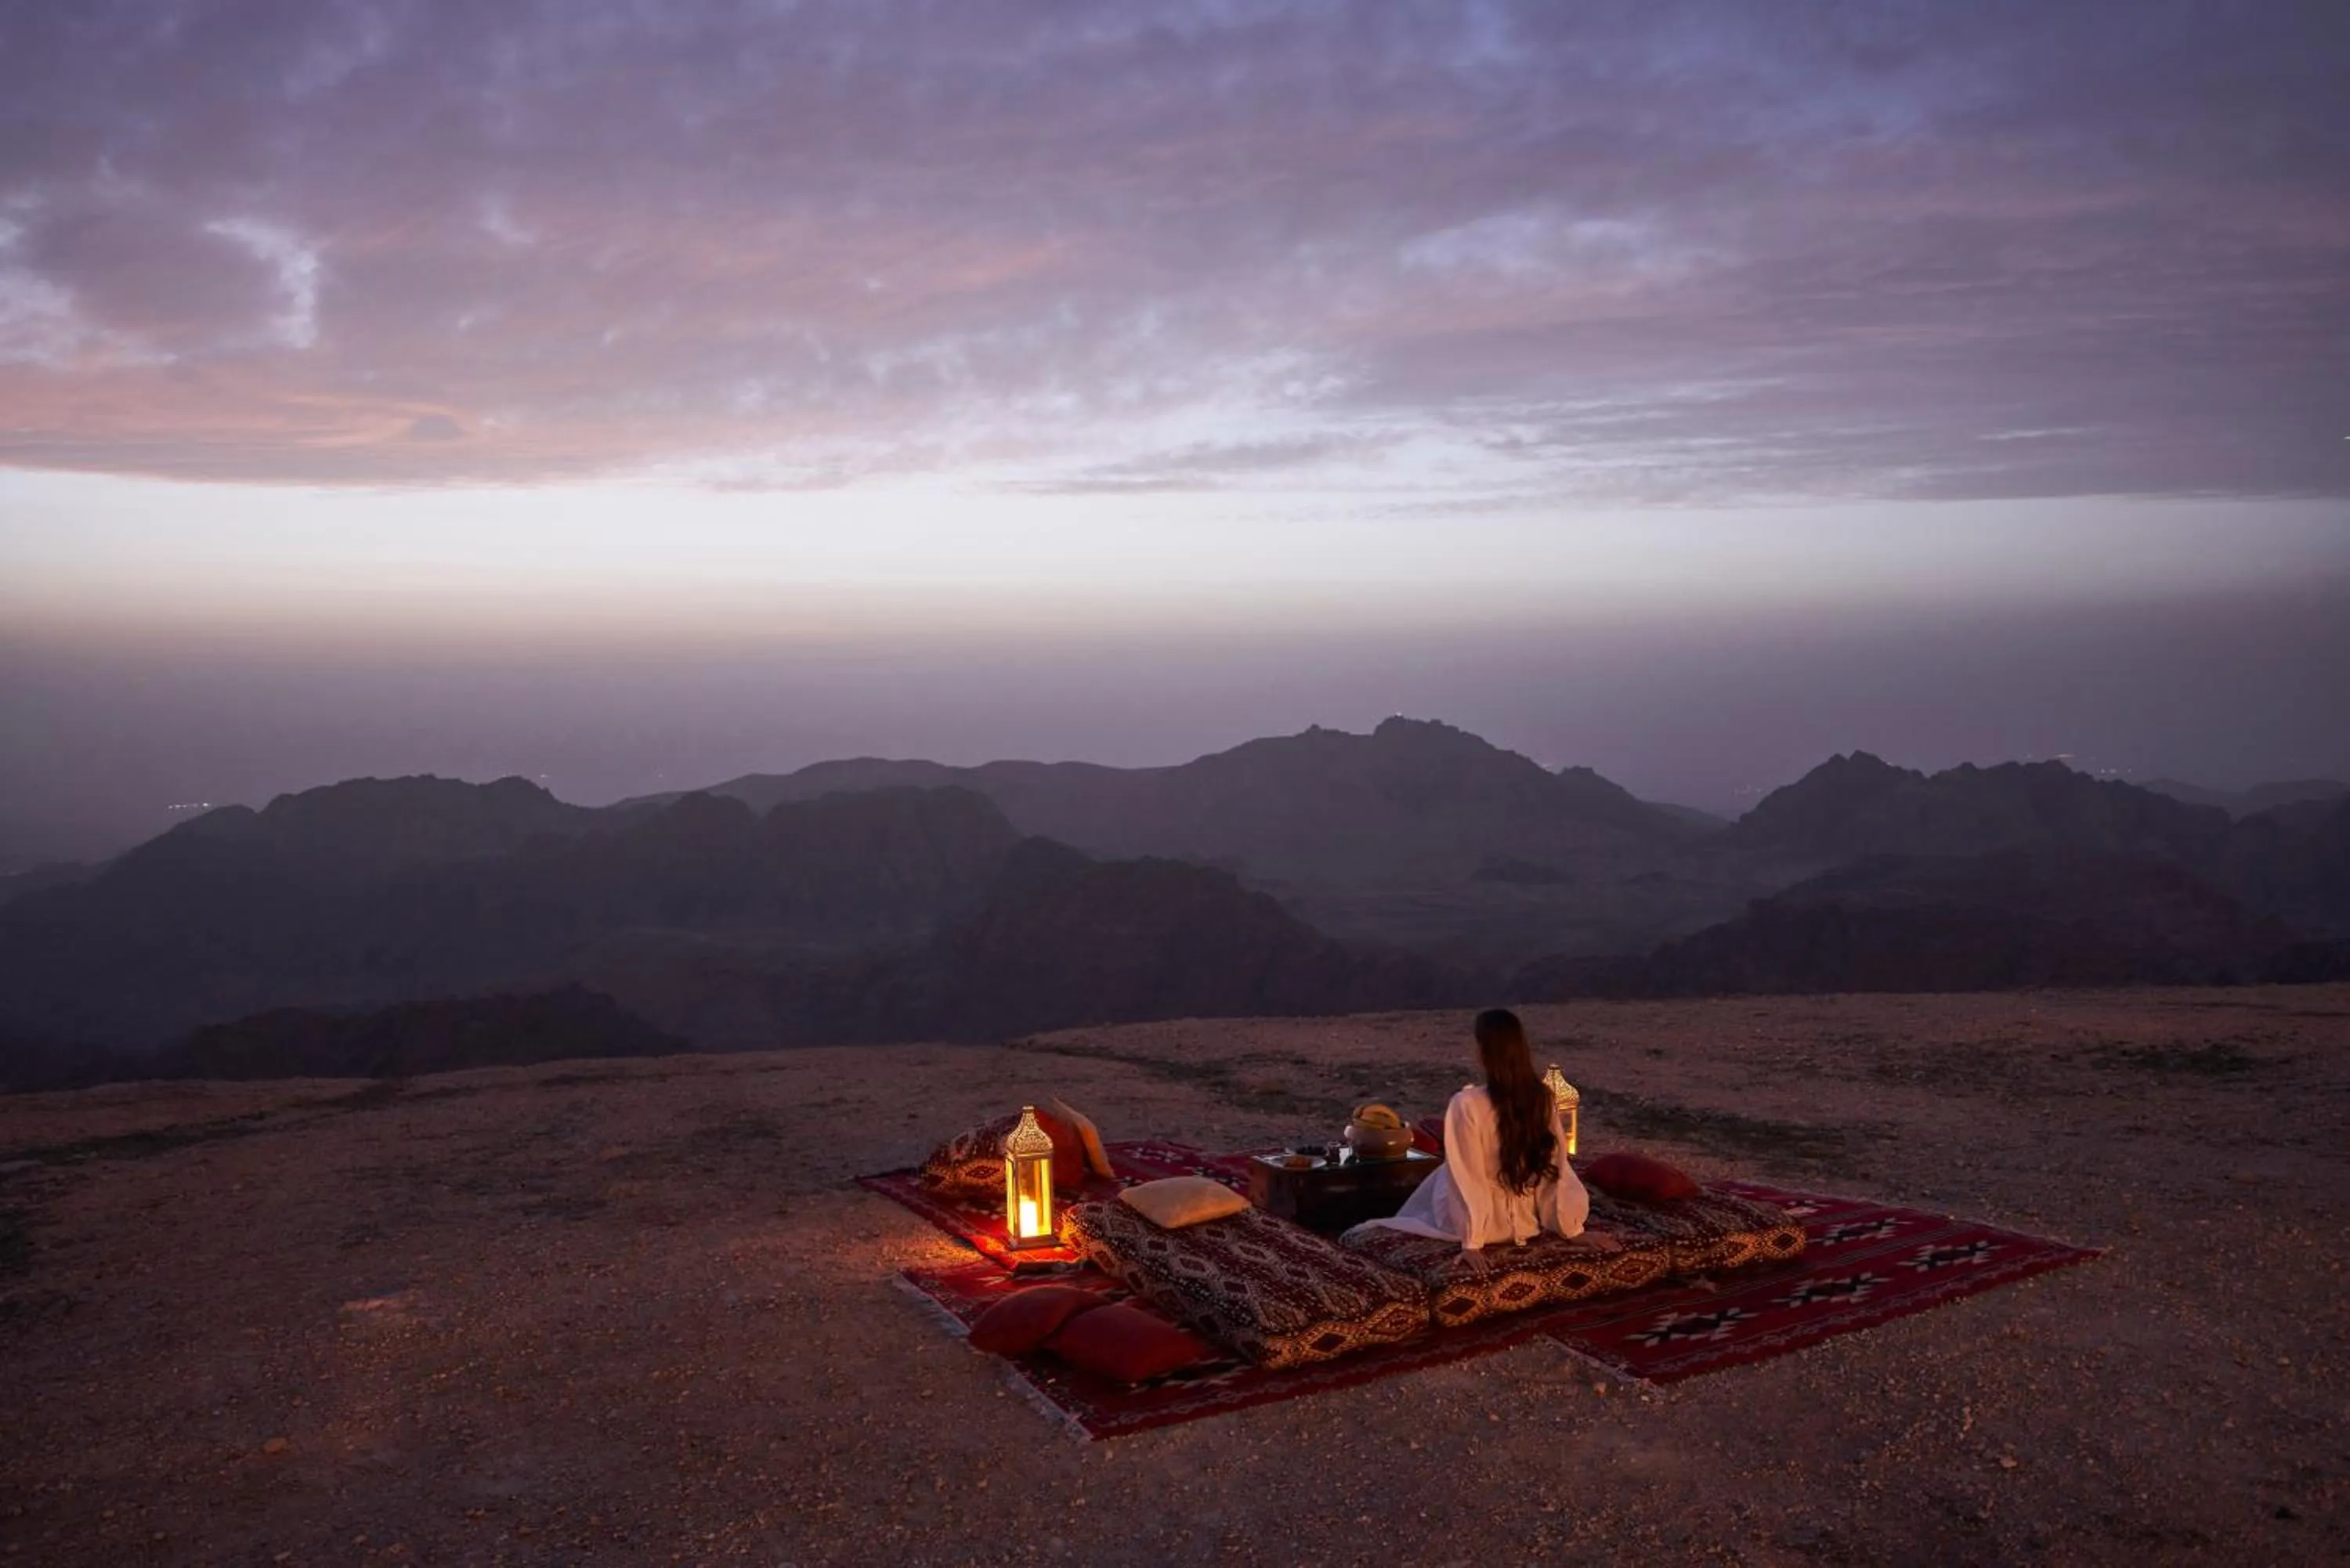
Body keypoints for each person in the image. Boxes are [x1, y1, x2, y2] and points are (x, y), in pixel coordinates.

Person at [1365, 1007, 1607, 1273]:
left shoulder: (1466, 1104)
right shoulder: (1543, 1098)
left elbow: (1468, 1177)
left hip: (1480, 1222)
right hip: (1527, 1221)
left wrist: (1472, 1242)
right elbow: (1556, 1170)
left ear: (1484, 1052)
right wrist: (1571, 1228)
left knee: (1447, 1172)